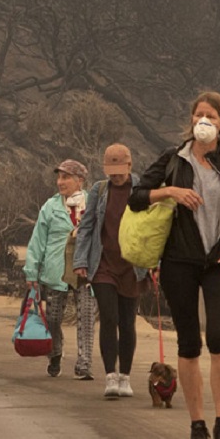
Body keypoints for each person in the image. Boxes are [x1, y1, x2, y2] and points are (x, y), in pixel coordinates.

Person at [129, 92, 220, 439]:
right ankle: (196, 425)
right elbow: (137, 195)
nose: (203, 120)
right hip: (179, 262)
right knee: (188, 343)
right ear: (190, 121)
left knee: (219, 338)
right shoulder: (173, 160)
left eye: (211, 115)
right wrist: (171, 191)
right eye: (198, 114)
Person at [74, 144, 150, 400]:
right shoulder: (100, 190)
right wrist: (80, 260)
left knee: (127, 322)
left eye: (120, 170)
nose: (115, 176)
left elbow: (153, 227)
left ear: (130, 166)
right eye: (111, 171)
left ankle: (125, 376)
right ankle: (110, 376)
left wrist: (154, 263)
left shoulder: (142, 189)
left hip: (133, 266)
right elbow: (86, 226)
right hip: (103, 263)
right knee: (109, 317)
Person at [25, 160, 90, 379]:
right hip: (55, 271)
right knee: (53, 318)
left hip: (85, 271)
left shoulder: (92, 204)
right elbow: (37, 241)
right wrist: (31, 272)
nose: (60, 182)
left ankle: (84, 364)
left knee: (86, 317)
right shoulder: (51, 207)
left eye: (66, 177)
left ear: (79, 180)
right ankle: (55, 352)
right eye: (59, 177)